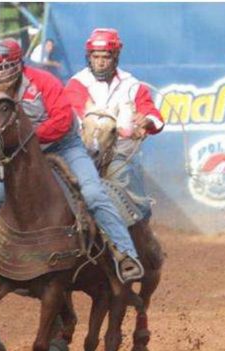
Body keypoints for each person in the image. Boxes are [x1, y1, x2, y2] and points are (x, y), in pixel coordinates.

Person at [0, 38, 144, 283]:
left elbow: (63, 120)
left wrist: (28, 138)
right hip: (26, 154)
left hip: (65, 146)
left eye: (5, 65)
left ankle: (125, 253)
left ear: (17, 64)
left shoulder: (43, 81)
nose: (0, 72)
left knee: (93, 194)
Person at [65, 28, 164, 221]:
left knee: (122, 176)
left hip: (119, 152)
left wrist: (147, 120)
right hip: (83, 150)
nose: (100, 62)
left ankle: (139, 225)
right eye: (95, 56)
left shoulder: (131, 84)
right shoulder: (77, 83)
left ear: (115, 57)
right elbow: (78, 117)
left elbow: (155, 117)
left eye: (105, 57)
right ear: (89, 57)